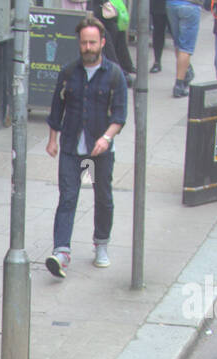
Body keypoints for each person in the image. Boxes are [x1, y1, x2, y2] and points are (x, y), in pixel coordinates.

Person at [44, 18, 127, 279]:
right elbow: (57, 107)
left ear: (102, 42)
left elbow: (120, 116)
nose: (88, 47)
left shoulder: (114, 74)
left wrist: (106, 137)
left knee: (103, 197)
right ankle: (61, 252)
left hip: (98, 151)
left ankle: (101, 244)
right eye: (83, 43)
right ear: (78, 44)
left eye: (92, 42)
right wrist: (52, 138)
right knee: (68, 197)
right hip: (70, 146)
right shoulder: (69, 72)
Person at [165, 0, 204, 97]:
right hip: (190, 5)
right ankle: (179, 84)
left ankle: (186, 72)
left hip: (172, 4)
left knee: (178, 43)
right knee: (185, 48)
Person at [88, 0, 136, 76]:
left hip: (101, 7)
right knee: (106, 33)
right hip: (91, 11)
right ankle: (116, 68)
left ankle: (124, 65)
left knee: (117, 29)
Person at [150, 0, 169, 73]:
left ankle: (185, 64)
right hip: (158, 4)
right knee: (158, 31)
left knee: (177, 35)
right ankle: (157, 61)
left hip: (176, 4)